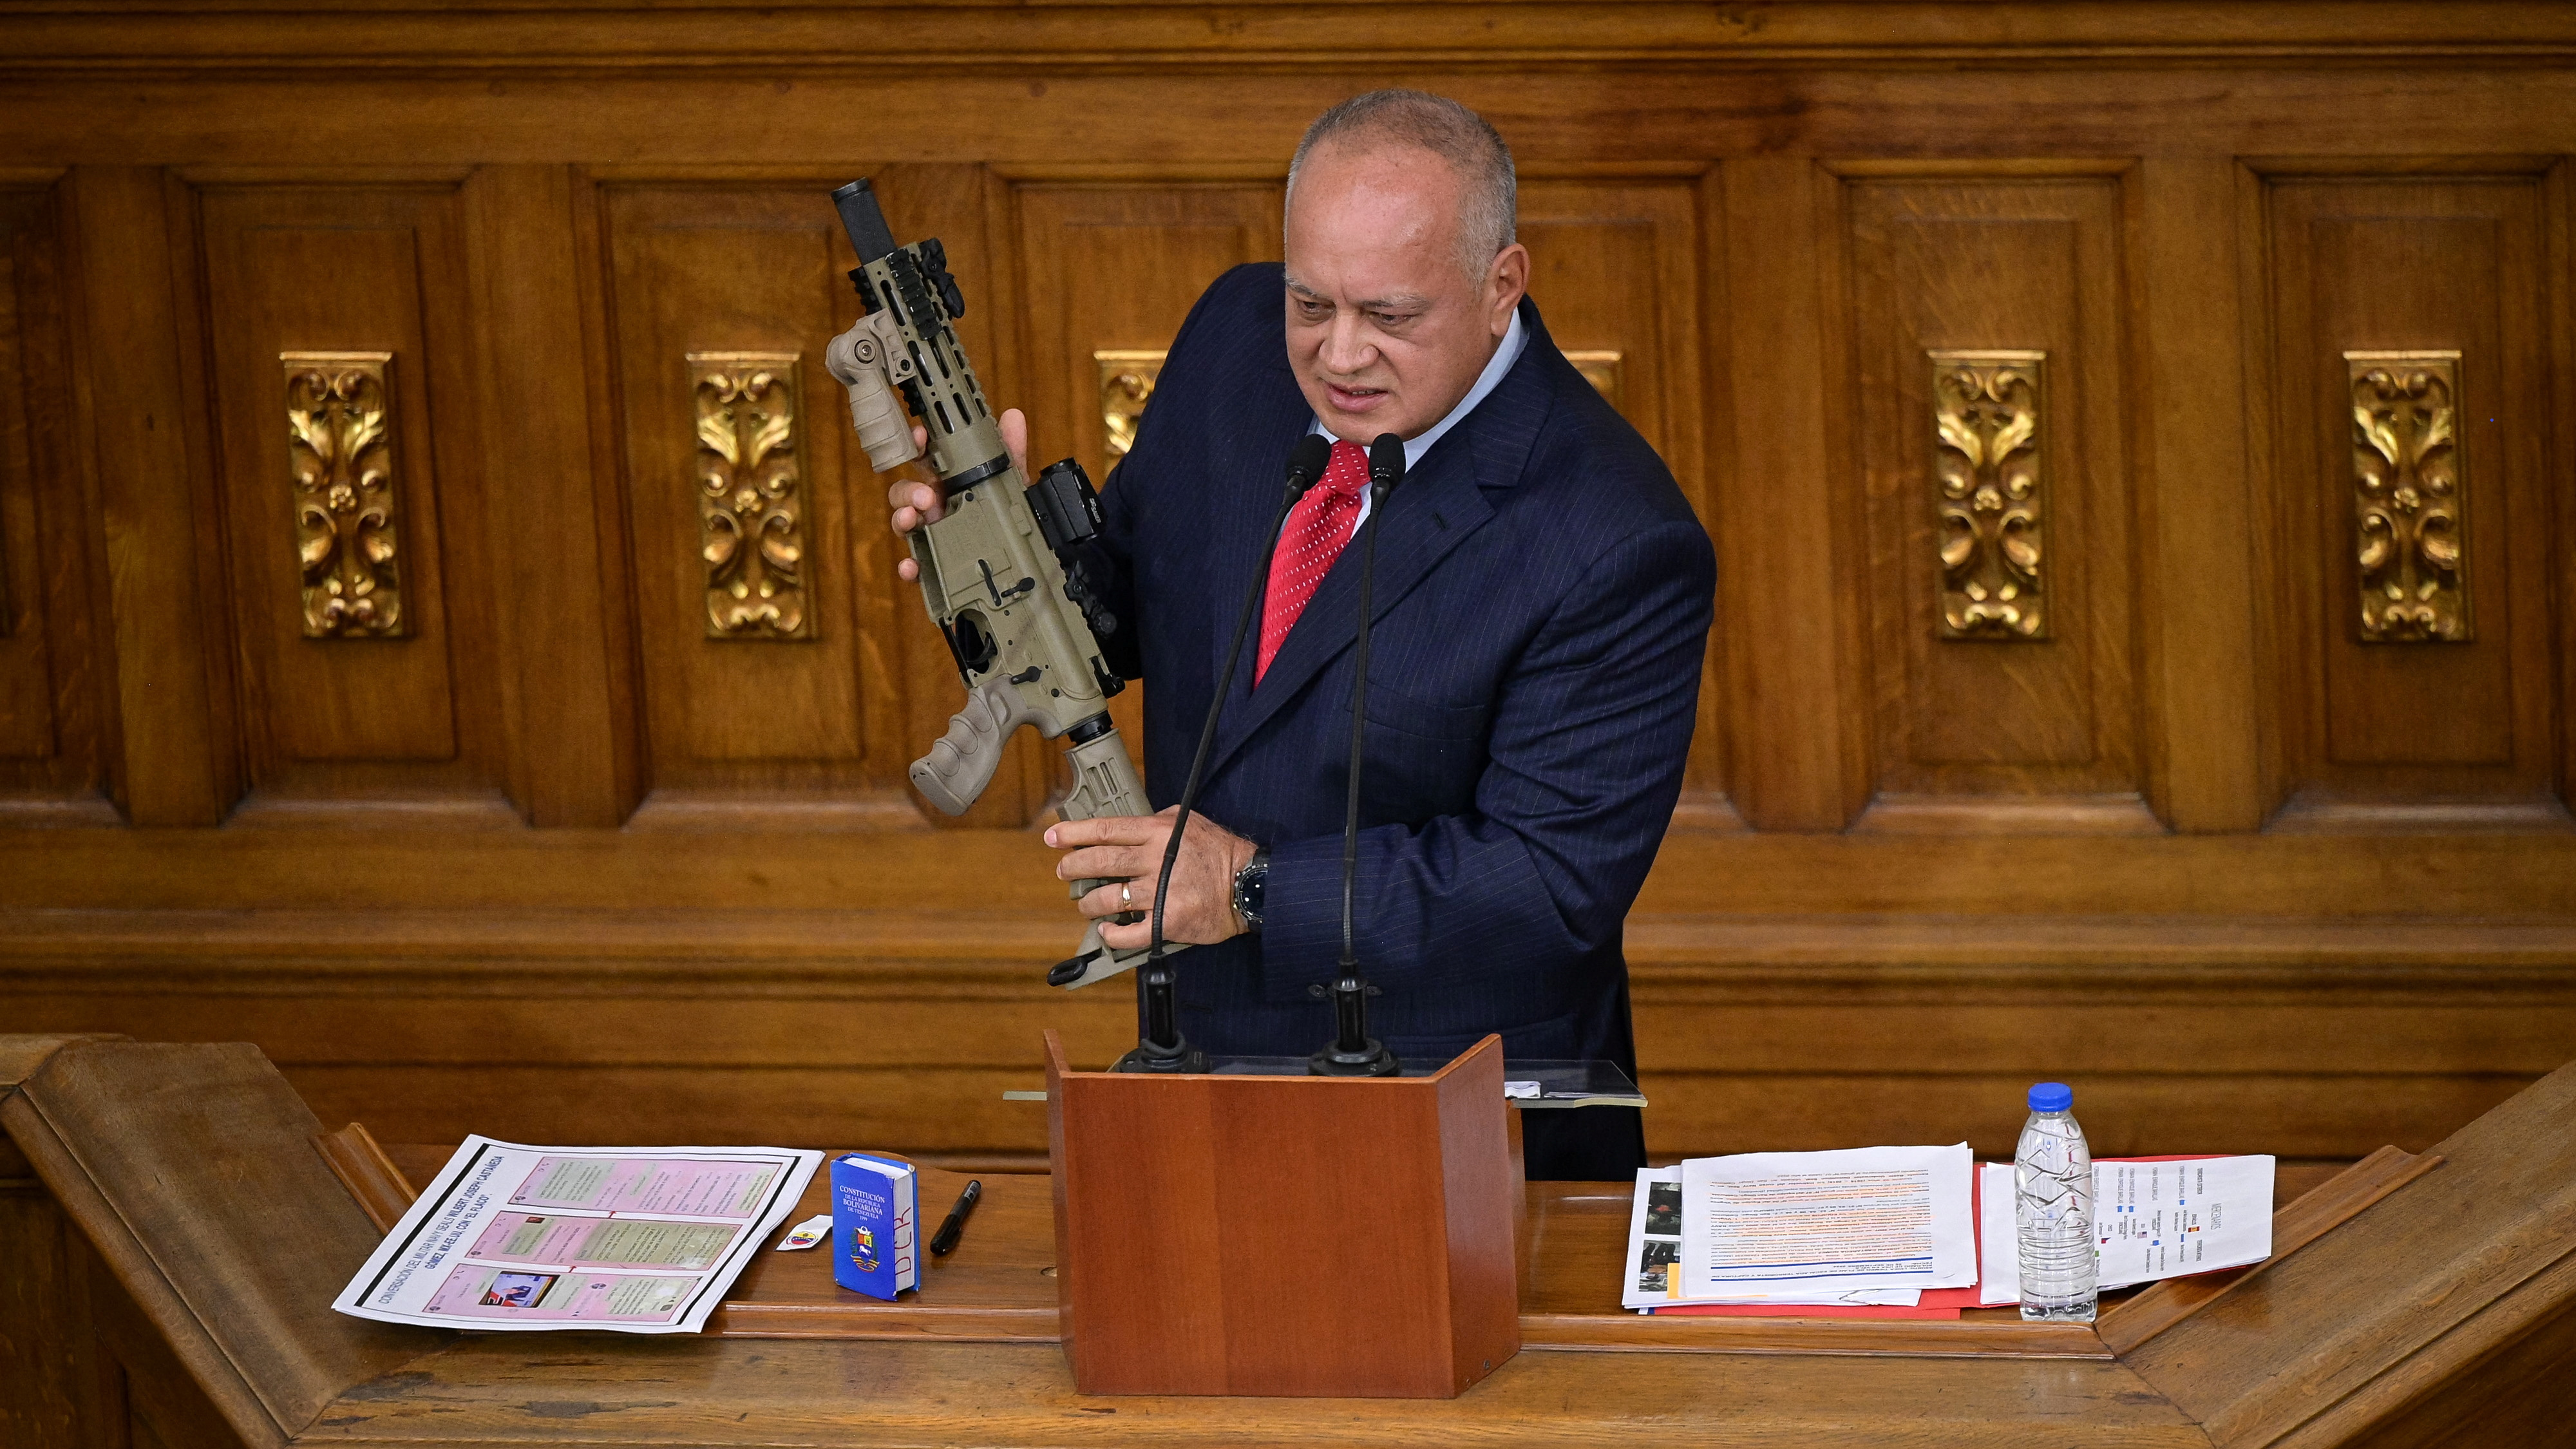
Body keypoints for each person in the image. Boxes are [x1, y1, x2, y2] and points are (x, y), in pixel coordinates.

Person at [887, 90, 1716, 1179]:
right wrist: (998, 569)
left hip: (1462, 1121)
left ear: (1502, 284)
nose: (1339, 354)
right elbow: (1144, 603)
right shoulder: (1235, 336)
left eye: (1390, 315)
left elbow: (1546, 882)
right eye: (1310, 302)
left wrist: (1247, 887)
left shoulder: (1617, 536)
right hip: (1204, 1066)